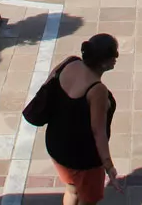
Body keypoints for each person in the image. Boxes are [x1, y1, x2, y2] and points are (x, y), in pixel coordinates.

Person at [44, 34, 123, 205]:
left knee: (72, 190)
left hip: (57, 145)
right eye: (115, 55)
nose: (116, 58)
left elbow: (47, 88)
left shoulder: (69, 63)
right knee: (88, 200)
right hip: (82, 157)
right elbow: (98, 132)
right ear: (104, 62)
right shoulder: (97, 90)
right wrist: (109, 167)